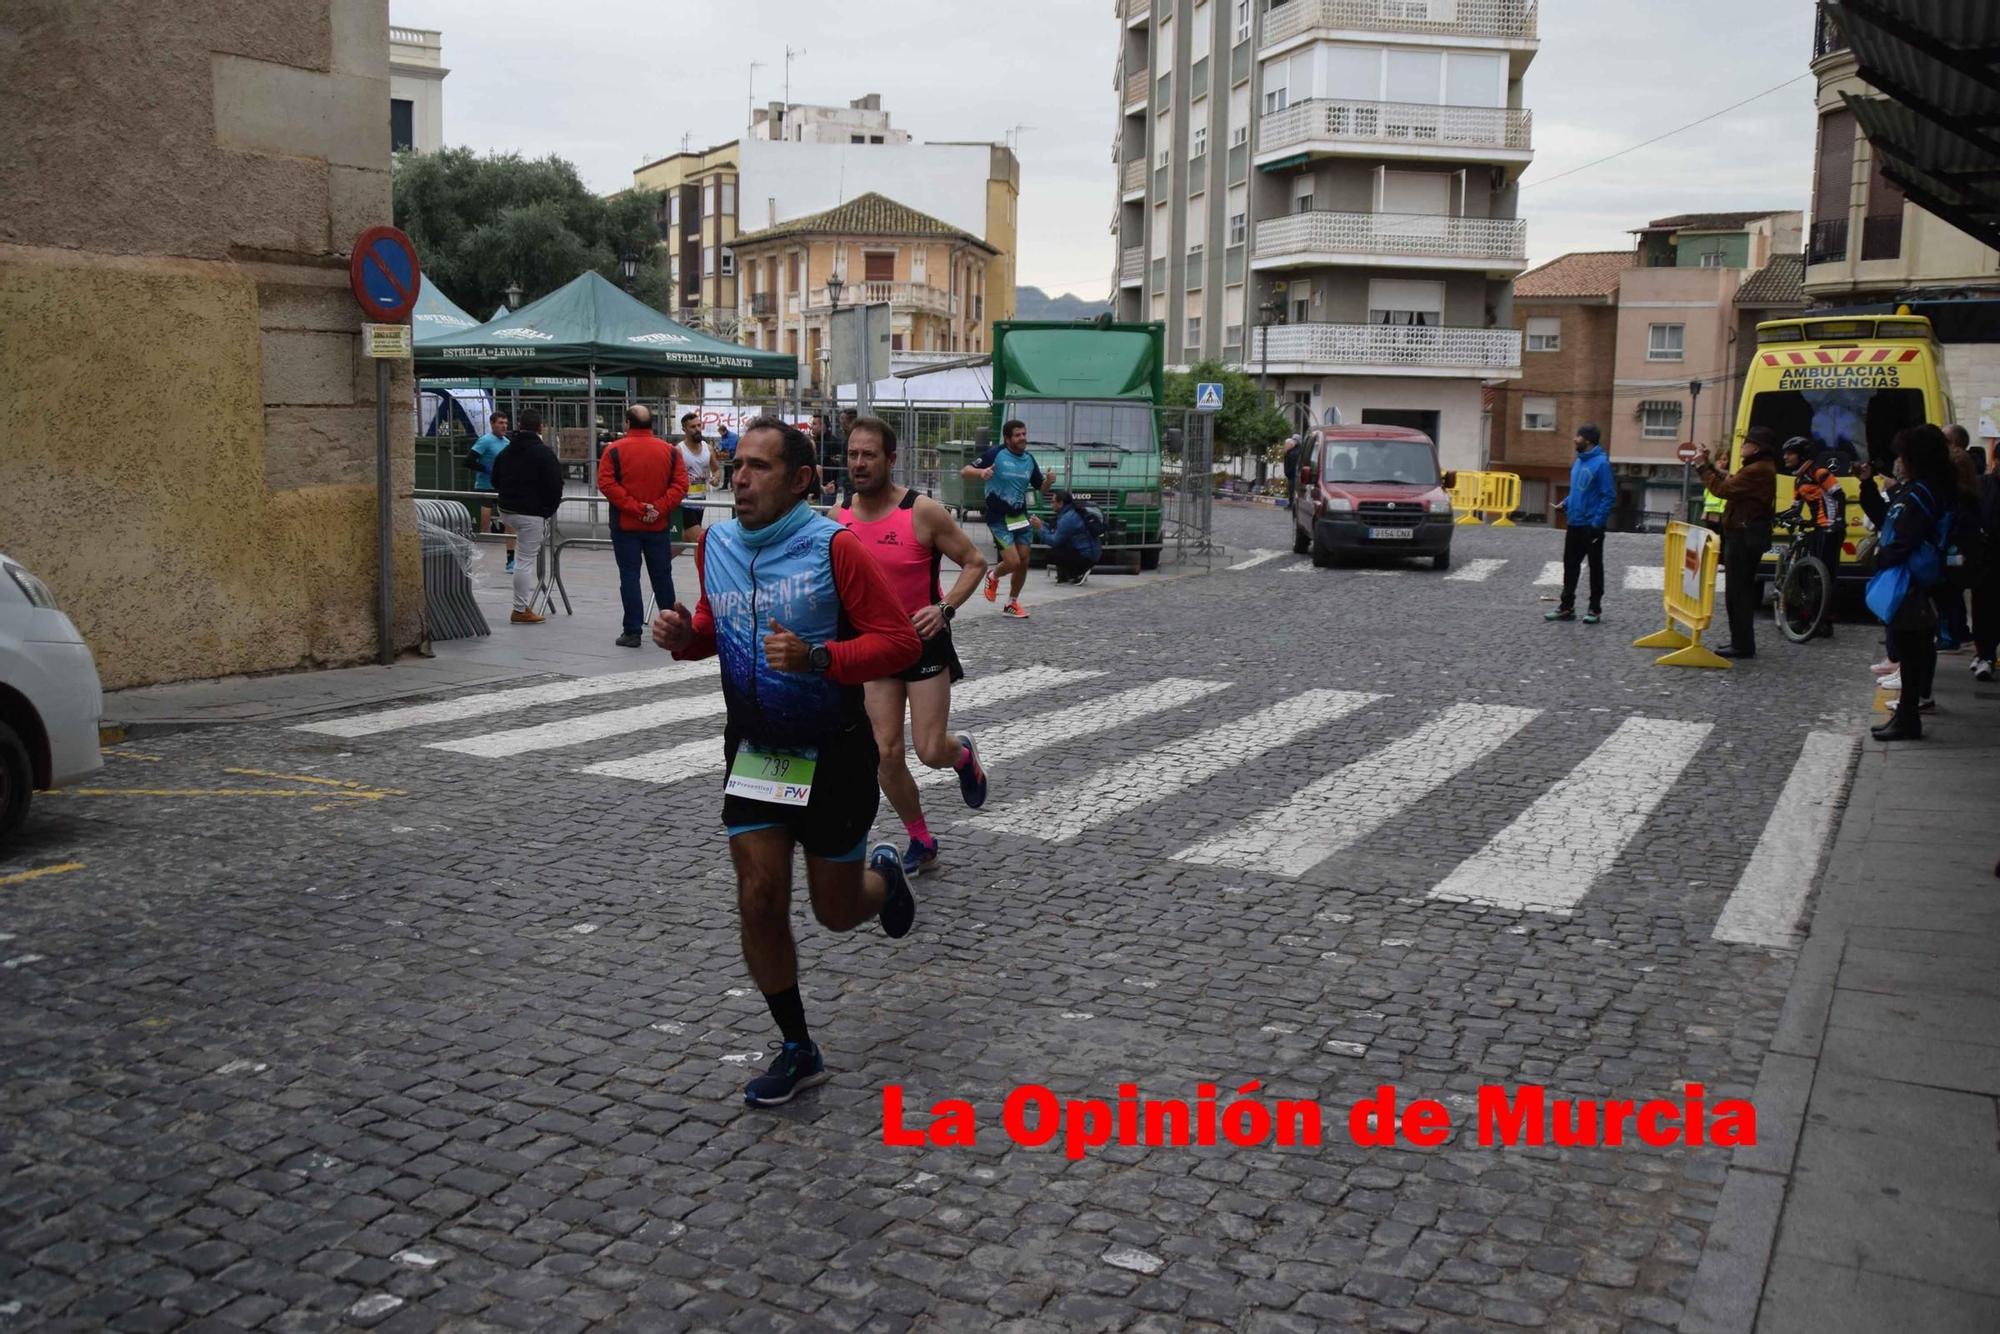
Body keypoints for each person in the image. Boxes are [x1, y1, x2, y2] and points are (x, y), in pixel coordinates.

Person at [651, 417, 922, 1106]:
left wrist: (820, 659)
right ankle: (798, 1046)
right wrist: (686, 637)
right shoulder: (713, 543)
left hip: (832, 752)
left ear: (801, 480)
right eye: (736, 464)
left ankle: (883, 881)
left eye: (759, 467)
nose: (739, 479)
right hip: (756, 752)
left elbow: (896, 645)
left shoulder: (835, 548)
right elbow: (719, 626)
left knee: (835, 912)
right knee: (760, 894)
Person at [835, 416, 992, 874]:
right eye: (853, 454)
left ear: (891, 459)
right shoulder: (838, 515)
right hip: (874, 648)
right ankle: (921, 838)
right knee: (884, 752)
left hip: (923, 645)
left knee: (928, 750)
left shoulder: (921, 511)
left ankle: (960, 754)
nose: (859, 463)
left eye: (869, 455)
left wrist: (944, 610)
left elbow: (974, 562)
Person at [1869, 425, 1963, 740]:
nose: (1899, 461)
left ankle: (1908, 719)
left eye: (1903, 455)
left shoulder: (1924, 490)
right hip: (1921, 577)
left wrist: (1883, 556)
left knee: (1911, 651)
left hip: (1913, 579)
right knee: (1913, 651)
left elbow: (1908, 534)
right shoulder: (1936, 486)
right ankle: (1905, 716)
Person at [598, 405, 686, 648]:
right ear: (652, 424)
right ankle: (671, 629)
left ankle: (632, 631)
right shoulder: (670, 451)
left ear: (627, 423)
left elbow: (605, 483)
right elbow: (680, 485)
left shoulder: (613, 450)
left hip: (625, 525)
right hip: (658, 526)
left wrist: (636, 507)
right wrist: (658, 508)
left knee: (629, 576)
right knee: (662, 576)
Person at [1694, 427, 1780, 659]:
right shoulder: (1757, 467)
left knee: (1738, 592)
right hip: (1742, 534)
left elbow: (1723, 489)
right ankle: (1740, 641)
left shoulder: (1758, 470)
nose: (1742, 446)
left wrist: (1703, 467)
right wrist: (1709, 465)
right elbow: (1731, 479)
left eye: (1747, 442)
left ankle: (1742, 645)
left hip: (1744, 537)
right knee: (1739, 591)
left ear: (1757, 447)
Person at [963, 419, 1052, 619]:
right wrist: (981, 472)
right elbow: (964, 471)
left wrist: (1048, 482)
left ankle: (1012, 603)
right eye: (1018, 435)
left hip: (1020, 517)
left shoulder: (1029, 459)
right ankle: (993, 575)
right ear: (1007, 438)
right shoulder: (997, 453)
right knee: (1012, 561)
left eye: (1024, 434)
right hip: (998, 518)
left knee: (1024, 560)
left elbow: (1041, 488)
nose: (1023, 438)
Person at [490, 408, 564, 626]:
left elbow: (495, 480)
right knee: (524, 562)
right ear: (540, 428)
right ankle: (520, 609)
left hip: (507, 509)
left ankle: (522, 607)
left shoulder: (505, 452)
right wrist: (546, 511)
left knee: (522, 558)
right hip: (531, 513)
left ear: (519, 426)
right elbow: (555, 485)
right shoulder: (544, 453)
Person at [1545, 424, 1614, 624]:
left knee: (1595, 567)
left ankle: (1595, 608)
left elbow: (1608, 496)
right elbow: (1578, 491)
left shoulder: (1601, 464)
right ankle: (1567, 607)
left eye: (1579, 436)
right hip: (1574, 523)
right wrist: (1565, 503)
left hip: (1590, 526)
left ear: (1589, 440)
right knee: (1570, 566)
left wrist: (1597, 523)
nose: (1575, 439)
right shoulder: (1579, 462)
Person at [1781, 435, 1844, 638]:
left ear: (1801, 455)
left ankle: (1823, 622)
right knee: (1807, 575)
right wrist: (1777, 516)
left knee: (1824, 577)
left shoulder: (1820, 472)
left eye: (1789, 454)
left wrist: (1839, 521)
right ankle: (1807, 617)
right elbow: (1795, 508)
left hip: (1831, 529)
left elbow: (1839, 496)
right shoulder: (1799, 479)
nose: (1785, 457)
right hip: (1817, 528)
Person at [465, 410, 517, 573]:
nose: (504, 426)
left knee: (510, 525)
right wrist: (487, 469)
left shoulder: (507, 443)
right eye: (500, 423)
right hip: (485, 487)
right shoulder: (485, 440)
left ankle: (510, 560)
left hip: (502, 488)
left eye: (506, 423)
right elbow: (468, 461)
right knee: (484, 524)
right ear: (492, 424)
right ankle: (473, 557)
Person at [1030, 489, 1104, 583]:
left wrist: (1040, 528)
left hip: (1086, 556)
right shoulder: (1071, 512)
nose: (1051, 504)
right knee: (1060, 548)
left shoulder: (1068, 518)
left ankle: (1077, 572)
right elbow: (1058, 530)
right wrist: (1042, 524)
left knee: (1052, 554)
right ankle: (1069, 574)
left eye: (1053, 502)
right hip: (1091, 552)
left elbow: (1054, 541)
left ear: (1060, 503)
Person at [677, 413, 718, 536]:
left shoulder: (708, 449)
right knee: (698, 538)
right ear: (684, 429)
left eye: (699, 425)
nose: (697, 429)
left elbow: (716, 469)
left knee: (687, 538)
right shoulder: (678, 450)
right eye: (693, 427)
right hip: (684, 502)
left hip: (701, 500)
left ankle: (661, 556)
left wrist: (716, 478)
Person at [1281, 436, 1301, 507]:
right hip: (1291, 475)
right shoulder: (1290, 452)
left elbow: (1293, 466)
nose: (1285, 446)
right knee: (1291, 490)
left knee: (1292, 490)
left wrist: (1288, 473)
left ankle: (1291, 504)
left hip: (1292, 475)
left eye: (1287, 445)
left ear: (1292, 445)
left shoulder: (1293, 453)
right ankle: (1291, 504)